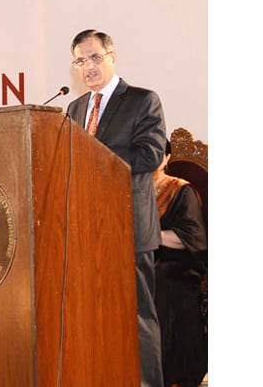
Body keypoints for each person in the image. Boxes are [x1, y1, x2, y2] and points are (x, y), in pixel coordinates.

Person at [66, 29, 166, 387]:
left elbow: (150, 153)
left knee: (137, 316)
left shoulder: (142, 100)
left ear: (112, 56)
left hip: (129, 226)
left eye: (94, 58)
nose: (88, 67)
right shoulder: (75, 108)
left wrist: (95, 158)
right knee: (95, 314)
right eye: (80, 61)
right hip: (87, 228)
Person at [153, 139, 208, 387]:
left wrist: (151, 237)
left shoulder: (180, 190)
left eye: (157, 152)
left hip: (176, 267)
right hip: (135, 262)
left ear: (167, 158)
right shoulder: (129, 188)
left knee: (159, 280)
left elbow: (192, 239)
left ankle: (167, 375)